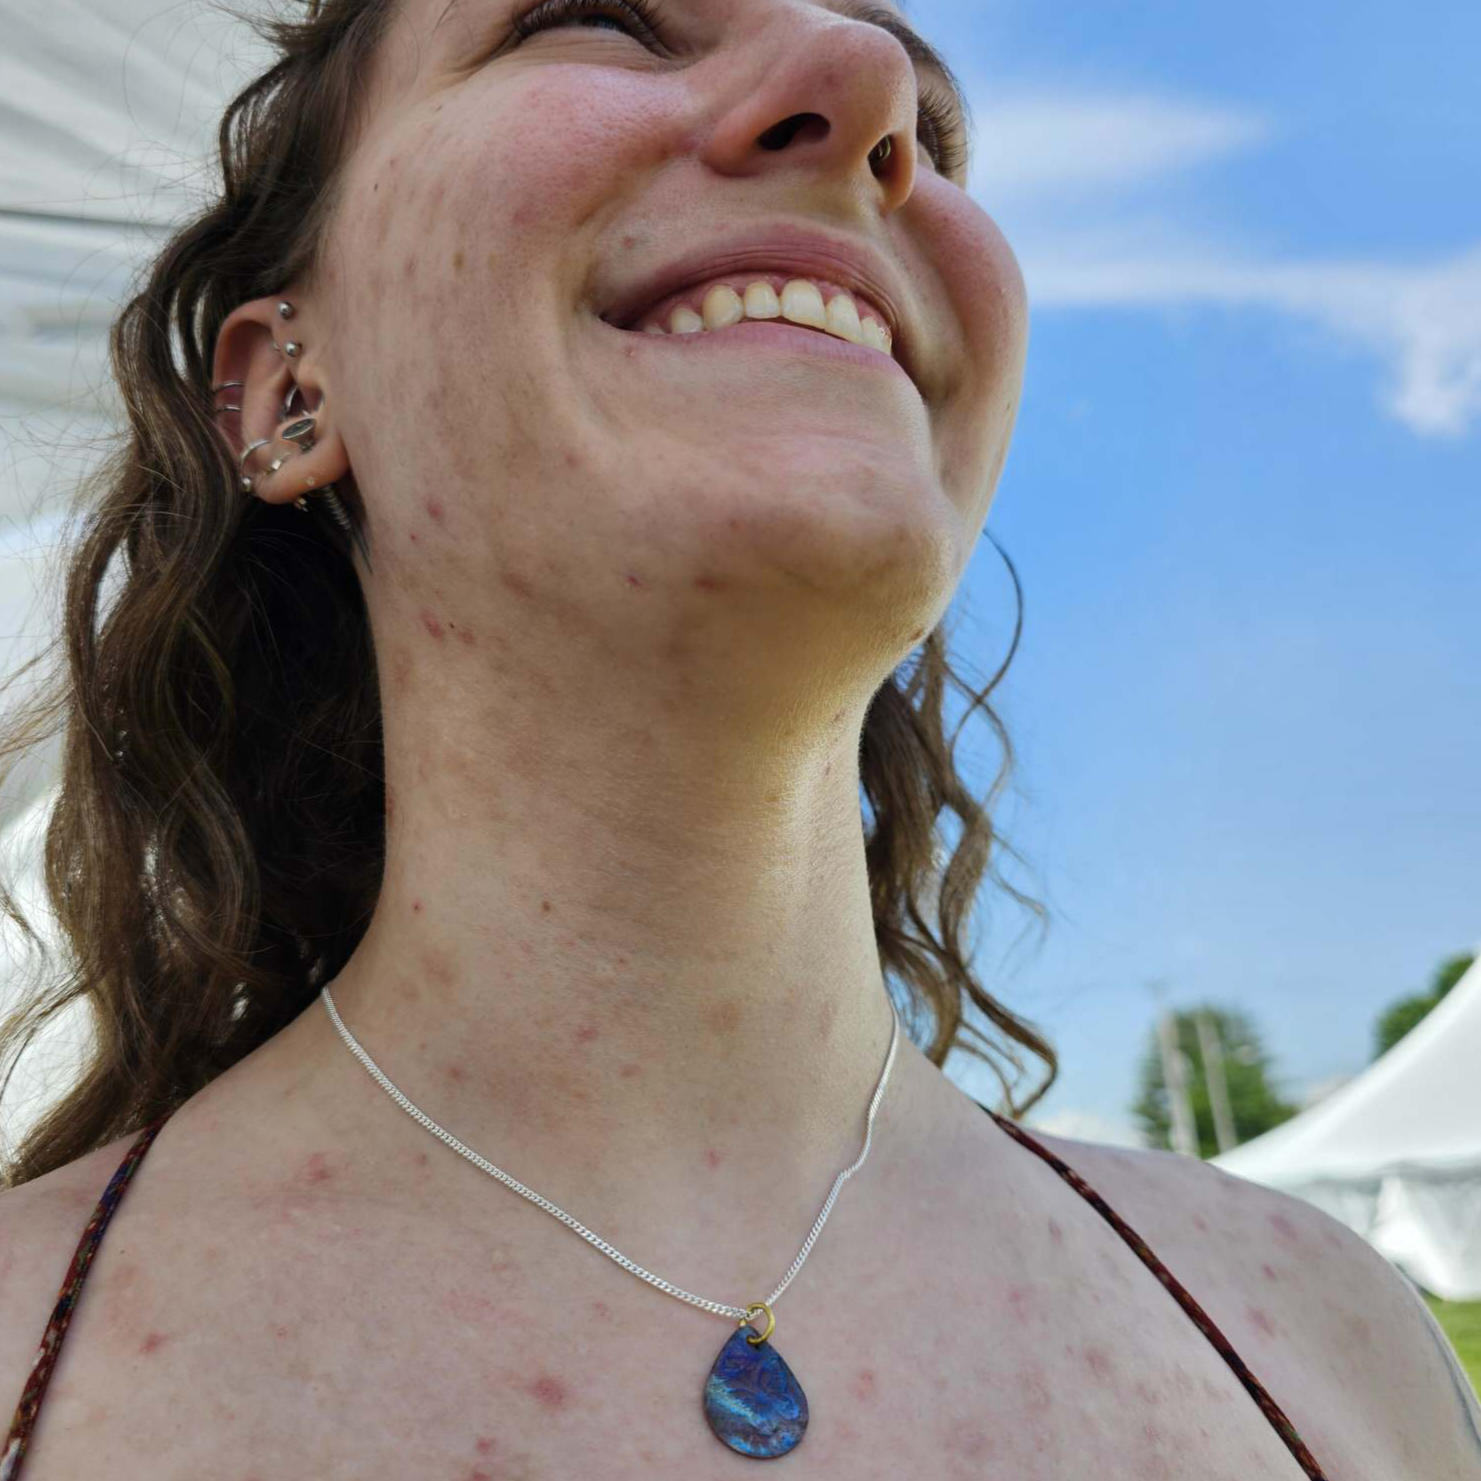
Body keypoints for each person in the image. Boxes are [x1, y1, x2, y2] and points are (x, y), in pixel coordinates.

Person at [1, 0, 1478, 1475]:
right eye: (594, 18)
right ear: (289, 389)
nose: (867, 82)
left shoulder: (1330, 1345)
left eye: (938, 128)